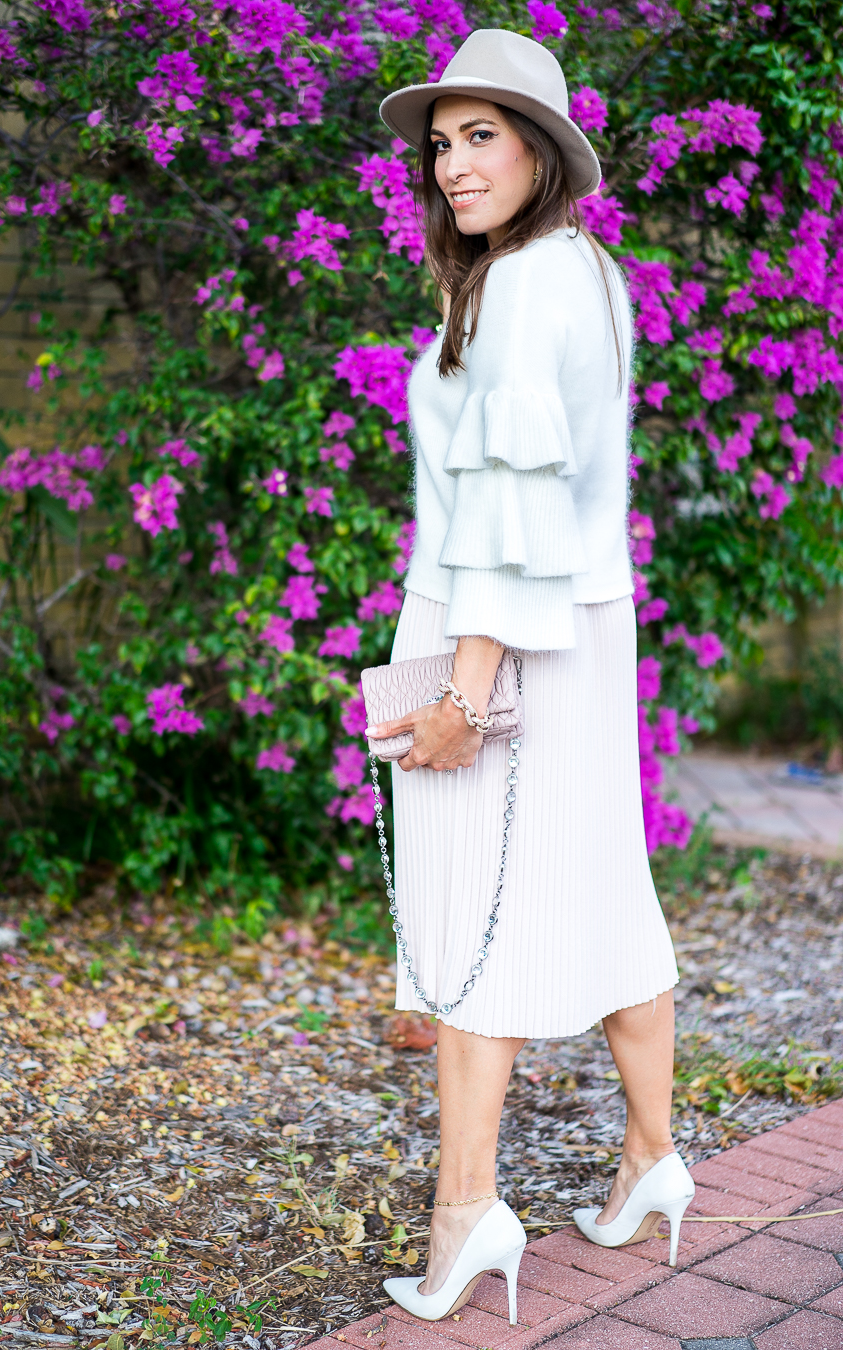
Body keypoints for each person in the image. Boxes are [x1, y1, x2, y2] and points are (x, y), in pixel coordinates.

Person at [364, 28, 695, 1326]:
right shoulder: (588, 275)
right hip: (584, 628)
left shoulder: (520, 287)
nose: (450, 162)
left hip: (501, 637)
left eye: (480, 133)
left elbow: (507, 497)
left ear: (544, 147)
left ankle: (465, 1221)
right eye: (440, 141)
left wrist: (462, 695)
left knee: (473, 921)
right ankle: (652, 1158)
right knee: (605, 887)